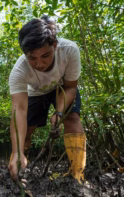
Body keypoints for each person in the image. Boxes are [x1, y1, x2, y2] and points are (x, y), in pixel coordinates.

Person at [8, 15, 86, 184]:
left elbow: (71, 87)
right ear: (24, 54)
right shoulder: (19, 71)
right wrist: (16, 151)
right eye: (32, 58)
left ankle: (77, 175)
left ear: (55, 46)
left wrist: (58, 113)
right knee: (27, 128)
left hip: (62, 87)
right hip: (36, 92)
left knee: (72, 117)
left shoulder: (69, 50)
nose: (40, 63)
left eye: (45, 55)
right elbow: (19, 110)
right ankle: (18, 163)